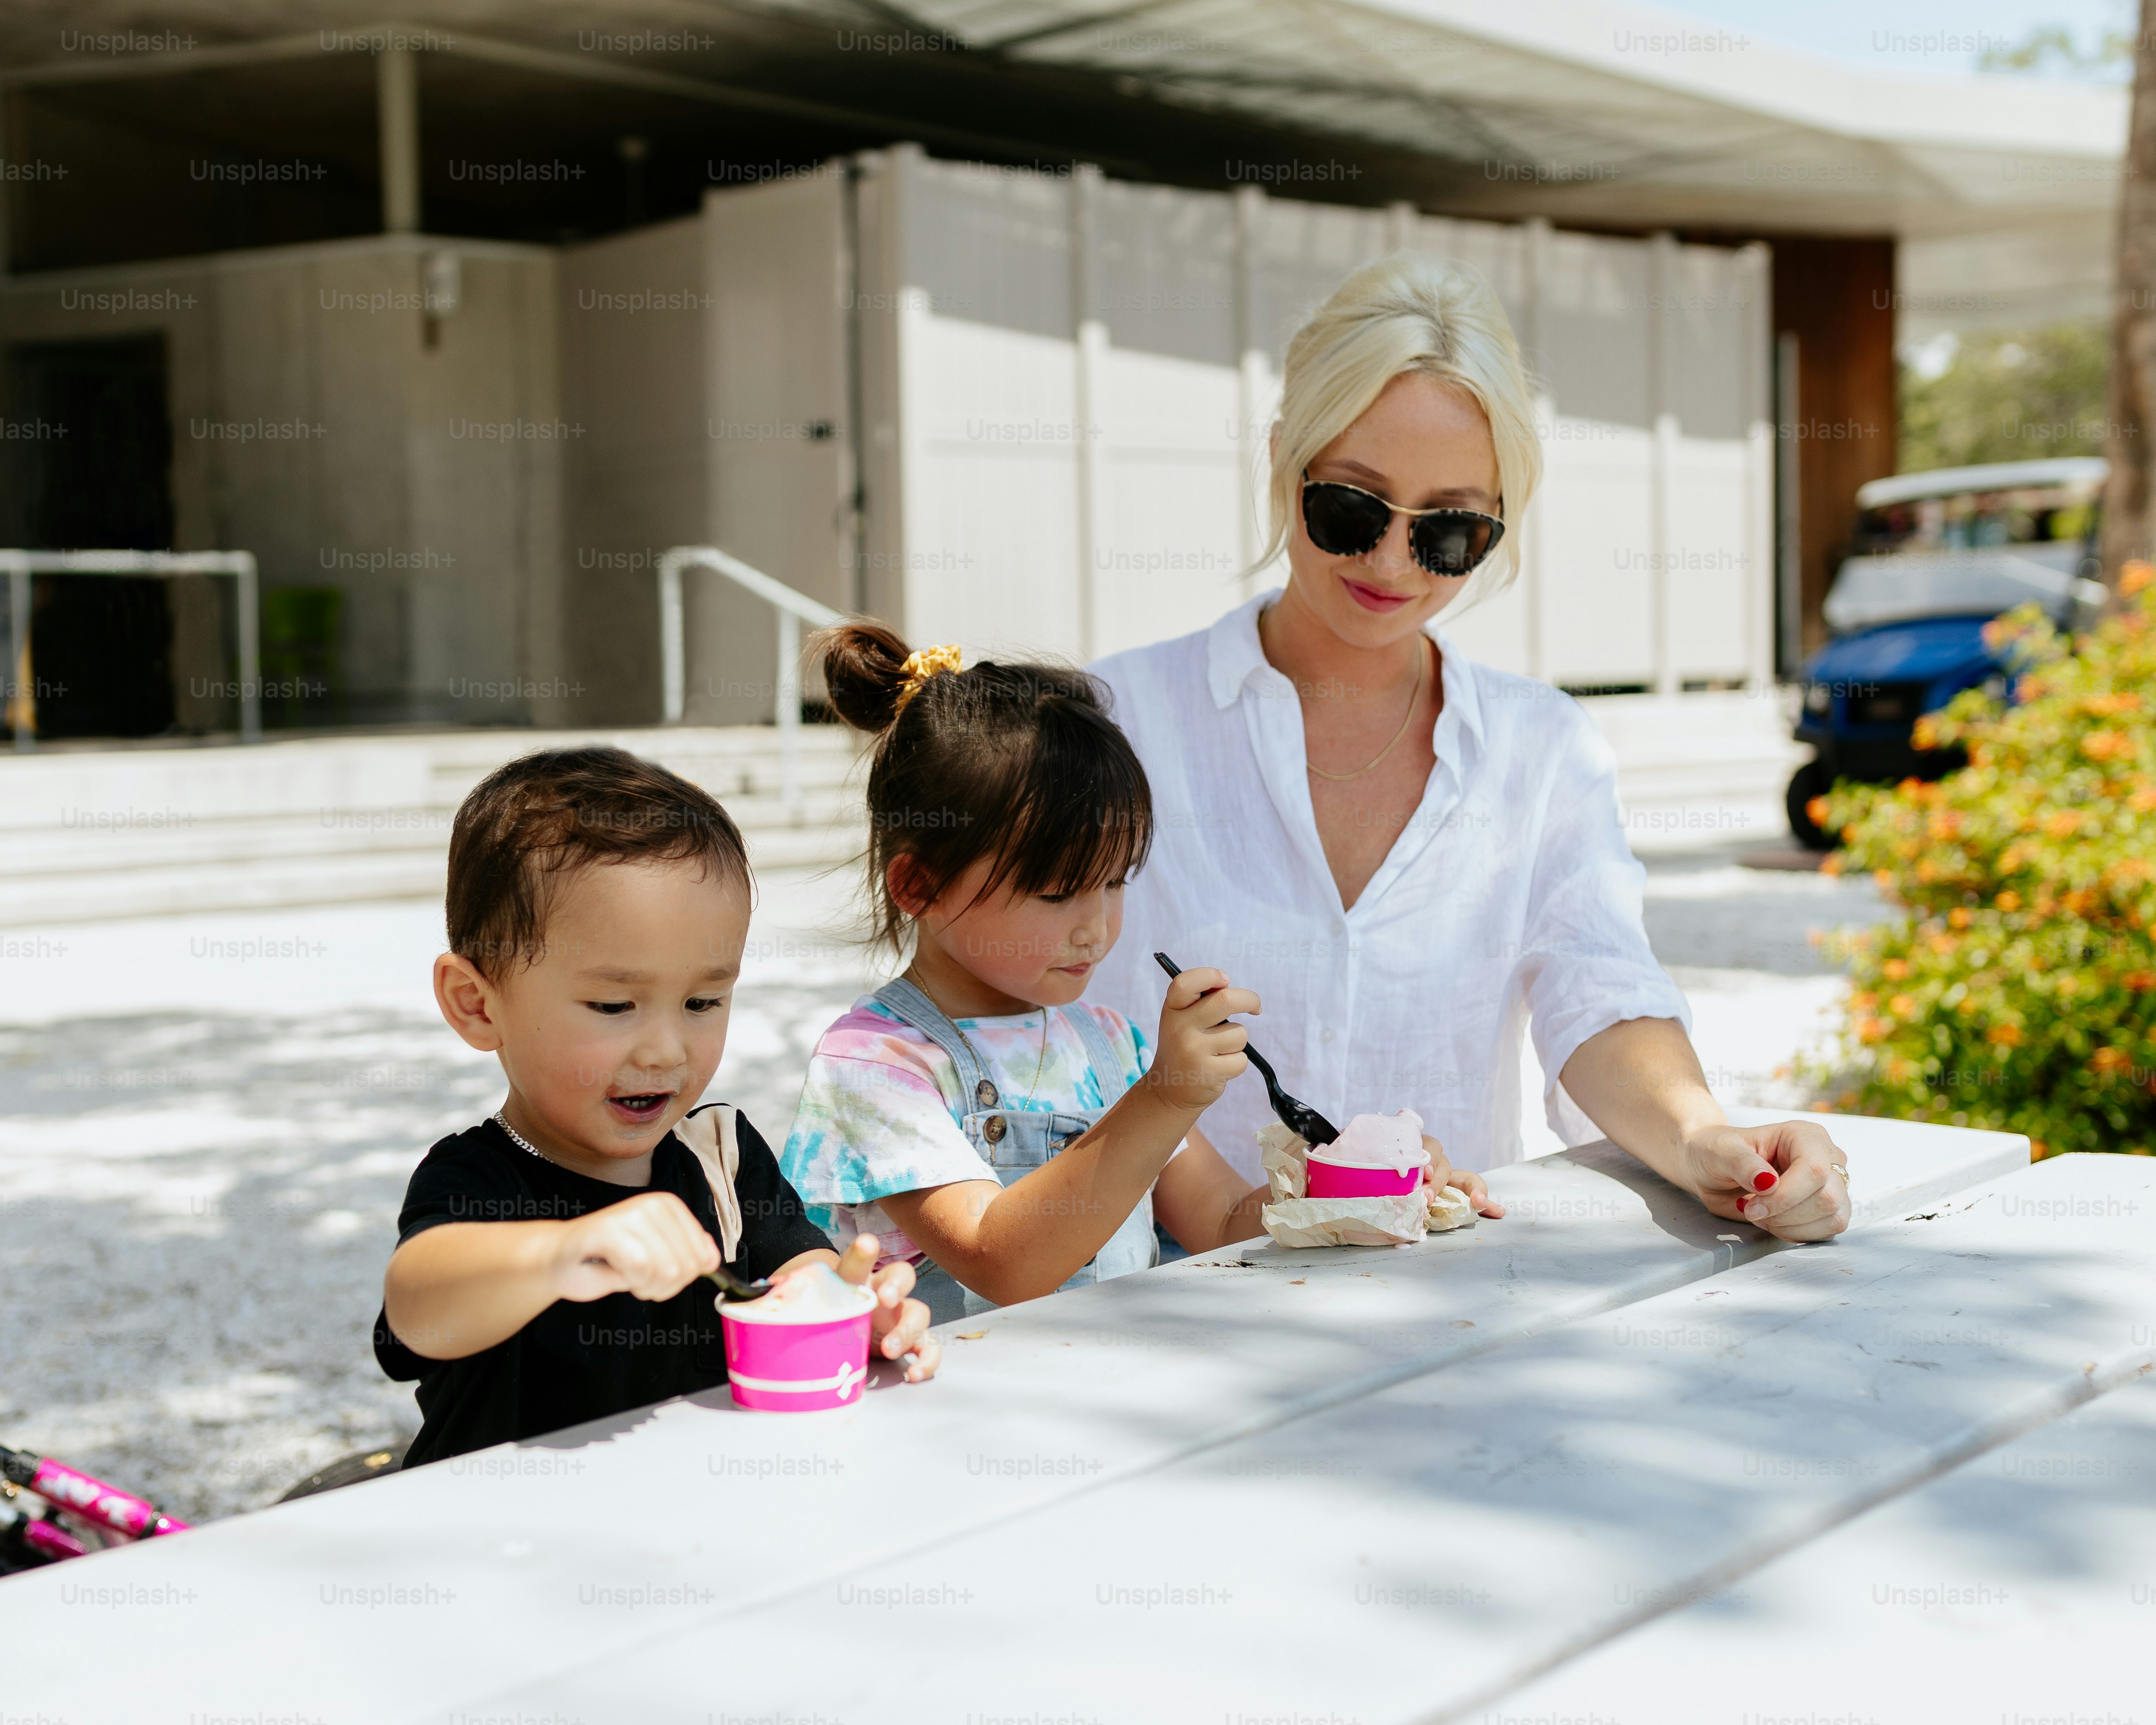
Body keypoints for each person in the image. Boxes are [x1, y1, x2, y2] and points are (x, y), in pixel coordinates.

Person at [1088, 251, 1851, 1243]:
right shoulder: (1114, 723)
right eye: (1351, 508)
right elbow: (1027, 1020)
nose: (1393, 561)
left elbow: (1600, 992)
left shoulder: (1540, 748)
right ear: (1284, 459)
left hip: (1448, 1313)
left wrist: (1706, 1136)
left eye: (1448, 531)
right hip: (1141, 1310)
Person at [374, 747, 936, 1467]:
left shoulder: (723, 1158)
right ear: (476, 1005)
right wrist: (561, 1252)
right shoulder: (484, 1181)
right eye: (614, 1004)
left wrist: (857, 1313)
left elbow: (802, 1279)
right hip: (508, 1547)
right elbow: (419, 1307)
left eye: (703, 1002)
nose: (667, 1049)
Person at [780, 625, 1300, 1321]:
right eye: (1057, 893)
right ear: (918, 887)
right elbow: (1003, 1262)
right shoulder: (877, 1064)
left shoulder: (1110, 1044)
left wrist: (1352, 1177)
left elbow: (1226, 1221)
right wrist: (1163, 1099)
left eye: (1115, 882)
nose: (1098, 926)